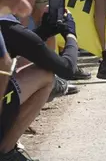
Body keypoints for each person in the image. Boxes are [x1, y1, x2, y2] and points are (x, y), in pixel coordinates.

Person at [0, 9, 78, 160]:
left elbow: (16, 45)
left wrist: (44, 31)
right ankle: (6, 151)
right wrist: (71, 35)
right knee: (45, 75)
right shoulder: (7, 25)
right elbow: (67, 68)